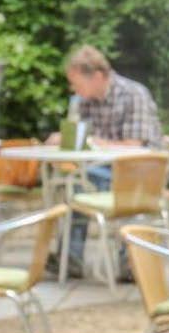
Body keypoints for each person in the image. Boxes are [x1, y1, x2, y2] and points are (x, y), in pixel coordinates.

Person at [59, 45, 163, 278]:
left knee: (81, 181)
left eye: (77, 84)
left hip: (142, 173)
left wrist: (95, 142)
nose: (74, 89)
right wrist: (65, 138)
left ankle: (129, 259)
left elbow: (135, 146)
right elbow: (82, 144)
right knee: (77, 180)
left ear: (97, 77)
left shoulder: (133, 95)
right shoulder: (84, 102)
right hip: (103, 169)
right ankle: (71, 258)